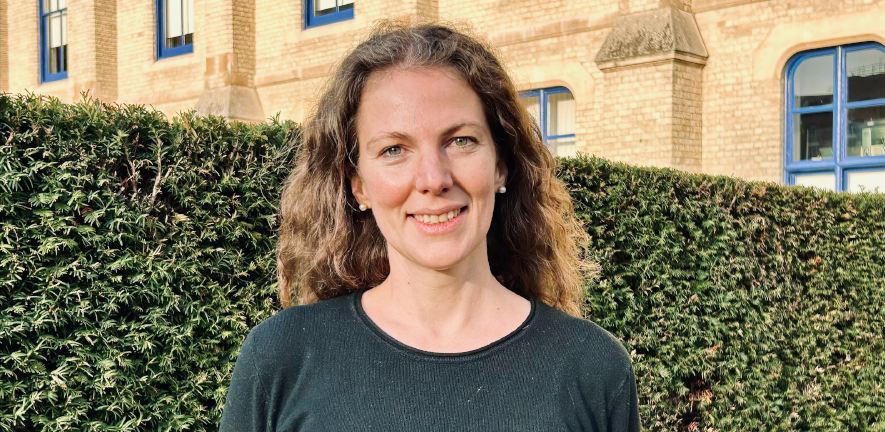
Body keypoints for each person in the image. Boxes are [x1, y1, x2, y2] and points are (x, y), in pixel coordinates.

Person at [219, 22, 640, 432]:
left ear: (500, 165)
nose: (433, 178)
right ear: (360, 185)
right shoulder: (282, 358)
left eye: (461, 141)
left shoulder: (593, 369)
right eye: (394, 149)